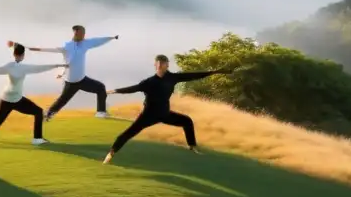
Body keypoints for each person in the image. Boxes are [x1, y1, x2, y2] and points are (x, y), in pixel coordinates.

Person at [102, 55, 230, 165]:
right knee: (128, 133)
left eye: (162, 63)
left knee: (187, 121)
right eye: (158, 63)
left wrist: (215, 72)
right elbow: (132, 88)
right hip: (148, 115)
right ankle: (110, 154)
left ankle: (192, 146)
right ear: (155, 65)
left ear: (167, 65)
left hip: (165, 114)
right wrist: (113, 91)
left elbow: (192, 76)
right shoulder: (149, 82)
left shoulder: (172, 78)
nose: (160, 65)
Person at [0, 42, 69, 146]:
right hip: (8, 100)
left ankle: (36, 139)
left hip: (14, 99)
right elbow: (39, 68)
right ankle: (36, 139)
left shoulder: (12, 66)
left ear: (15, 54)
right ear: (22, 55)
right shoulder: (20, 67)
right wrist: (58, 65)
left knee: (37, 112)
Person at [28, 25, 119, 121]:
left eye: (83, 33)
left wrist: (111, 38)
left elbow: (98, 41)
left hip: (82, 80)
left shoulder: (86, 43)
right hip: (71, 82)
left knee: (100, 87)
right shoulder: (67, 46)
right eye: (80, 33)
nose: (83, 35)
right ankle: (47, 116)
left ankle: (101, 112)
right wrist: (37, 49)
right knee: (62, 101)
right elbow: (53, 49)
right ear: (76, 33)